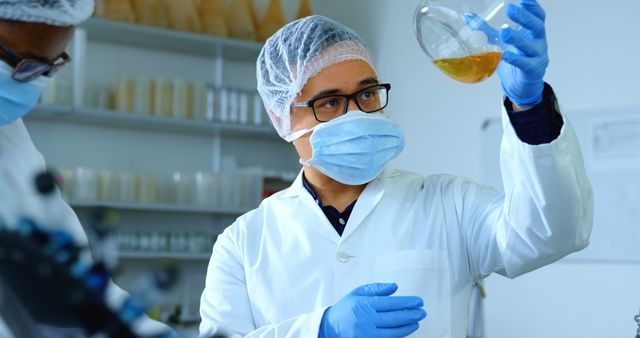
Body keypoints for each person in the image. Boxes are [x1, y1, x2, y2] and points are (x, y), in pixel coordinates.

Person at [199, 1, 593, 337]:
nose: (355, 114)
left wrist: (529, 105)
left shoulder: (448, 204)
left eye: (367, 94)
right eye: (330, 102)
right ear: (282, 118)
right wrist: (320, 328)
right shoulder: (242, 244)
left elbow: (549, 233)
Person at [0, 1, 169, 336]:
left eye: (49, 68)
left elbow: (64, 282)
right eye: (26, 67)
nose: (32, 89)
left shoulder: (11, 140)